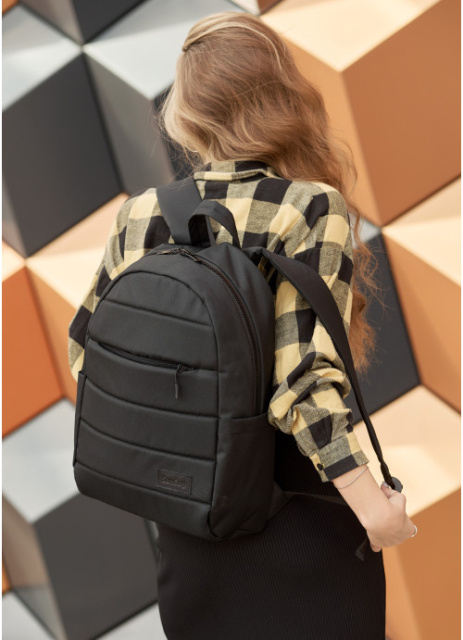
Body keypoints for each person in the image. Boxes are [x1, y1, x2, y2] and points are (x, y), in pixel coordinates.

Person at [68, 11, 417, 639]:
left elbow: (87, 354)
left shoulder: (140, 215)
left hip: (190, 532)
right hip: (298, 529)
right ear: (282, 97)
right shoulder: (309, 207)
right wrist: (377, 510)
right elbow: (303, 381)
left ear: (186, 111)